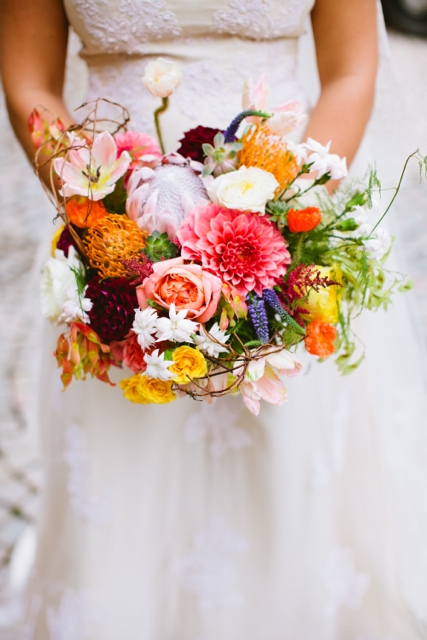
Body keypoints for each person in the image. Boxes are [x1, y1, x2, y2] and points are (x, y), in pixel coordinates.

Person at [1, 1, 427, 638]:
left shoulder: (291, 230)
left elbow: (350, 70)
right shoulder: (108, 244)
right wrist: (107, 231)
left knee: (287, 478)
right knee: (128, 482)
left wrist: (285, 222)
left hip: (289, 241)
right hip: (109, 255)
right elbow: (31, 82)